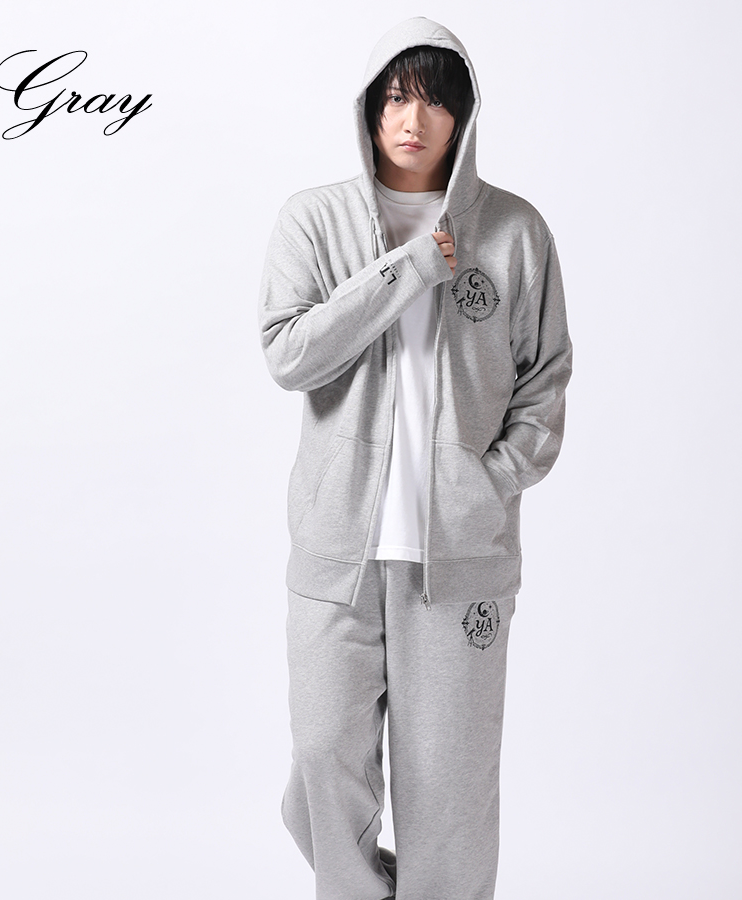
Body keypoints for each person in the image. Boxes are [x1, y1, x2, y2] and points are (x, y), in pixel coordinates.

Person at [259, 17, 572, 900]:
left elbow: (545, 383)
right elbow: (289, 355)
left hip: (462, 558)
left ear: (462, 116)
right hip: (337, 556)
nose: (412, 119)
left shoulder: (514, 231)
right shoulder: (314, 221)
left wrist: (487, 484)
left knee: (451, 796)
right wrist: (405, 270)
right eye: (397, 97)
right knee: (323, 760)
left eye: (435, 101)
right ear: (369, 107)